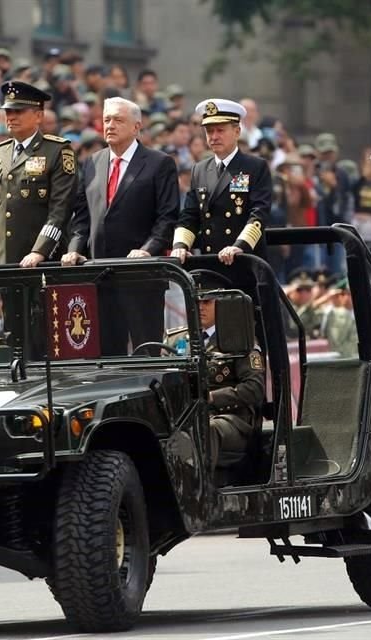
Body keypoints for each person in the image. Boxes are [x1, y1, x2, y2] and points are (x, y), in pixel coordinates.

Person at [63, 96, 179, 354]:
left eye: (118, 120)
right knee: (106, 355)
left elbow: (167, 217)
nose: (110, 125)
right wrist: (74, 247)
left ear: (137, 126)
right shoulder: (92, 162)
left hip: (141, 277)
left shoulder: (159, 163)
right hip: (99, 275)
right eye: (106, 120)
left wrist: (148, 250)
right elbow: (82, 217)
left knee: (146, 351)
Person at [0, 81, 77, 267]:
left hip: (46, 262)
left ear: (38, 116)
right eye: (8, 112)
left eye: (18, 112)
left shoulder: (57, 151)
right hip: (5, 261)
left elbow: (60, 209)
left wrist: (40, 251)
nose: (11, 117)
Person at [165, 290, 265, 468]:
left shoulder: (239, 339)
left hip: (230, 418)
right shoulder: (176, 340)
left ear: (221, 304)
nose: (200, 307)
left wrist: (211, 397)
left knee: (205, 429)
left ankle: (198, 489)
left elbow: (254, 388)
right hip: (183, 415)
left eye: (207, 302)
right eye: (197, 302)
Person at [170, 98, 272, 266]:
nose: (214, 137)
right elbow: (190, 214)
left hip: (244, 260)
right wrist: (180, 245)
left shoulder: (255, 166)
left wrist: (240, 246)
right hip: (210, 261)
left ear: (237, 131)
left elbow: (258, 213)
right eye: (209, 131)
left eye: (220, 130)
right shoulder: (199, 169)